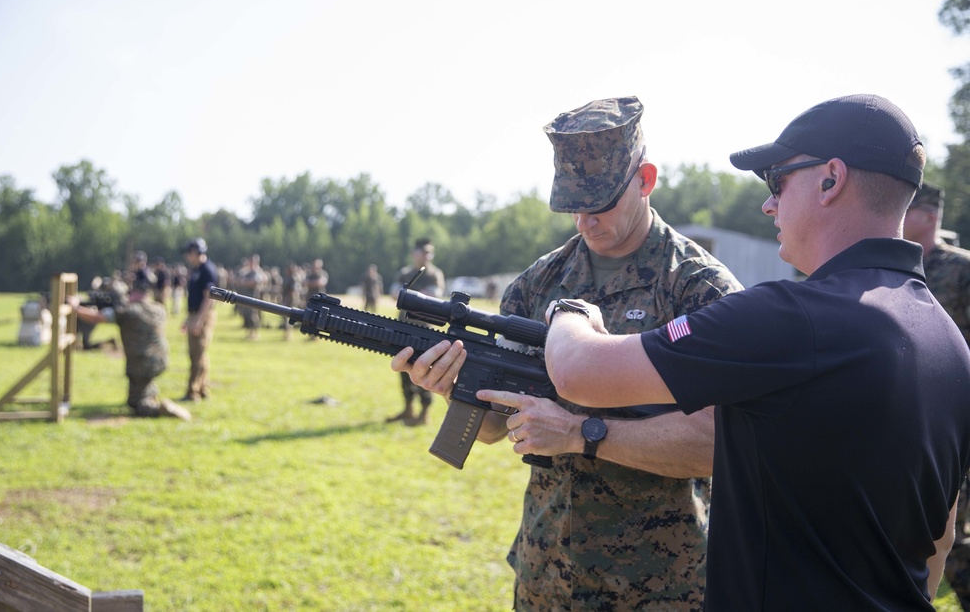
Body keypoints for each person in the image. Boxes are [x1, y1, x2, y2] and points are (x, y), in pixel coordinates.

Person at [509, 94, 970, 610]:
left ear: (831, 179)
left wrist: (570, 311)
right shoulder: (949, 342)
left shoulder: (783, 318)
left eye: (778, 181)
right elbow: (941, 539)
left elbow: (577, 371)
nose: (769, 204)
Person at [392, 96, 742, 609]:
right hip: (549, 571)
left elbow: (723, 444)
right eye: (572, 206)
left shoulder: (699, 290)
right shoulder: (538, 283)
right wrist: (451, 384)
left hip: (662, 583)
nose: (584, 222)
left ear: (646, 179)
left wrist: (584, 434)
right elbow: (491, 427)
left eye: (599, 204)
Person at [904, 182, 970, 610]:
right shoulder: (899, 266)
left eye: (908, 208)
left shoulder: (961, 269)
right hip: (909, 413)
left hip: (958, 415)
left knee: (955, 530)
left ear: (929, 216)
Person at [69, 276, 190, 420]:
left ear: (136, 293)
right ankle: (150, 396)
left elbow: (97, 317)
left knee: (136, 405)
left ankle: (160, 408)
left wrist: (76, 307)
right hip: (160, 359)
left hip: (141, 363)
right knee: (140, 388)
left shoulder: (128, 312)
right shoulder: (158, 309)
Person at [388, 238, 448, 428]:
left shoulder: (434, 274)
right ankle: (408, 408)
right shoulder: (406, 273)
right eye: (423, 252)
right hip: (404, 326)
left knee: (425, 368)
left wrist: (408, 296)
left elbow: (434, 295)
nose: (426, 256)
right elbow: (393, 293)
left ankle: (424, 412)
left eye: (429, 253)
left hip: (424, 329)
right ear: (415, 253)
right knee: (403, 367)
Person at [181, 237, 218, 402]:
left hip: (203, 314)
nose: (188, 256)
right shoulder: (197, 269)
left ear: (196, 252)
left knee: (197, 353)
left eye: (189, 252)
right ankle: (203, 388)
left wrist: (199, 319)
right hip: (195, 314)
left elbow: (209, 298)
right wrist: (189, 318)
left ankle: (193, 391)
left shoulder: (207, 270)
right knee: (199, 353)